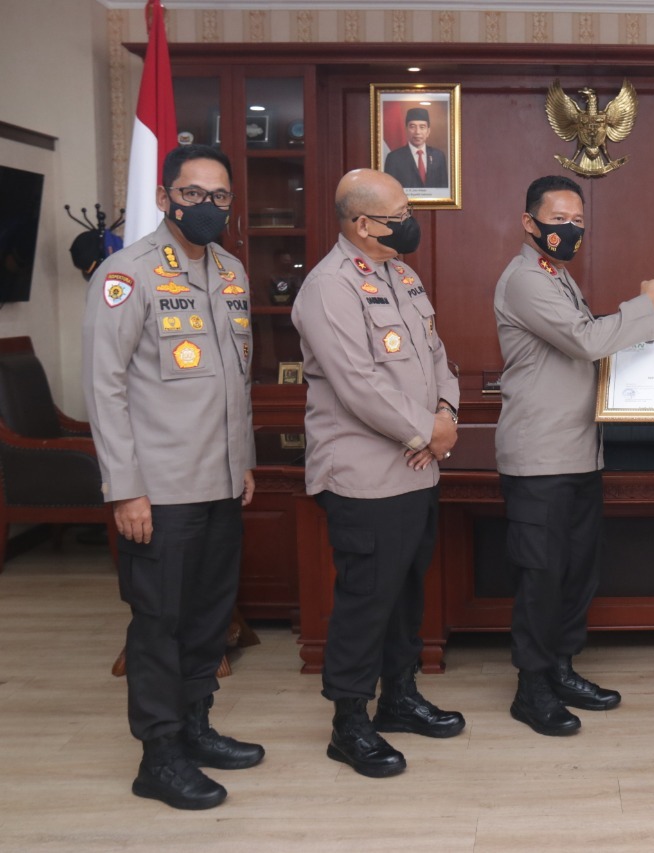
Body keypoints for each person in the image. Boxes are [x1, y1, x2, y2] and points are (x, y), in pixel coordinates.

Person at [83, 143, 263, 810]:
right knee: (159, 623)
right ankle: (158, 756)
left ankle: (194, 726)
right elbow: (104, 387)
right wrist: (125, 487)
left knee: (209, 615)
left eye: (220, 196)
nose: (207, 206)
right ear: (164, 198)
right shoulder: (126, 274)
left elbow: (237, 379)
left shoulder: (232, 271)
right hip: (158, 490)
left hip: (221, 480)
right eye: (192, 194)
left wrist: (243, 459)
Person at [494, 174, 654, 736]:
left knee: (576, 572)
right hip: (540, 456)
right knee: (541, 576)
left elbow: (594, 337)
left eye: (578, 221)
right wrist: (646, 304)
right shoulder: (525, 280)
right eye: (558, 219)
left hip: (579, 452)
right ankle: (531, 689)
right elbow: (585, 341)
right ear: (529, 223)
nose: (570, 229)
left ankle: (560, 668)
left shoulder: (558, 277)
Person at [292, 168, 465, 778]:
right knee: (366, 601)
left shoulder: (402, 274)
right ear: (363, 224)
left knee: (405, 592)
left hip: (417, 468)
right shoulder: (329, 287)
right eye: (400, 215)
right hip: (364, 476)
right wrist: (426, 432)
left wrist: (445, 416)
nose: (411, 223)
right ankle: (348, 723)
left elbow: (437, 355)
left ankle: (399, 697)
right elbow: (357, 384)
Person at [382, 107, 448, 189]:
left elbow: (444, 188)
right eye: (412, 127)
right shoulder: (393, 158)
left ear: (428, 131)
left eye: (422, 127)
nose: (417, 132)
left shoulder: (438, 156)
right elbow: (390, 189)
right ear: (406, 130)